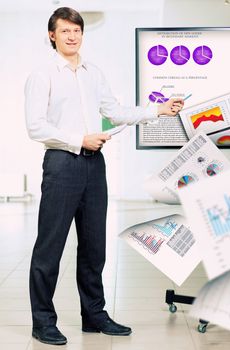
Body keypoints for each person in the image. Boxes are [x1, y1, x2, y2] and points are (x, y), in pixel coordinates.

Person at [24, 7, 184, 346]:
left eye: (76, 30)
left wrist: (157, 109)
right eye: (64, 30)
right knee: (49, 248)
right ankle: (43, 321)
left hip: (94, 165)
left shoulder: (93, 73)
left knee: (95, 246)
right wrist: (78, 139)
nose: (72, 36)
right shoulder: (43, 75)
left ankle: (93, 316)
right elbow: (35, 126)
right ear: (52, 35)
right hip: (61, 164)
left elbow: (114, 112)